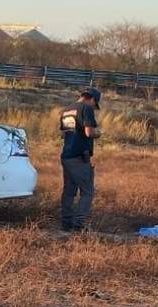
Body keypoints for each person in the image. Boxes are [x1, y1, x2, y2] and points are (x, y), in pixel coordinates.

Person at [59, 88, 102, 232]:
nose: (94, 108)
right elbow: (88, 132)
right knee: (87, 191)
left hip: (67, 155)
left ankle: (66, 223)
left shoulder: (66, 110)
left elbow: (64, 134)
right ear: (92, 99)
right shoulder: (86, 108)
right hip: (79, 156)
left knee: (69, 191)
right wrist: (98, 134)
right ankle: (79, 225)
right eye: (95, 104)